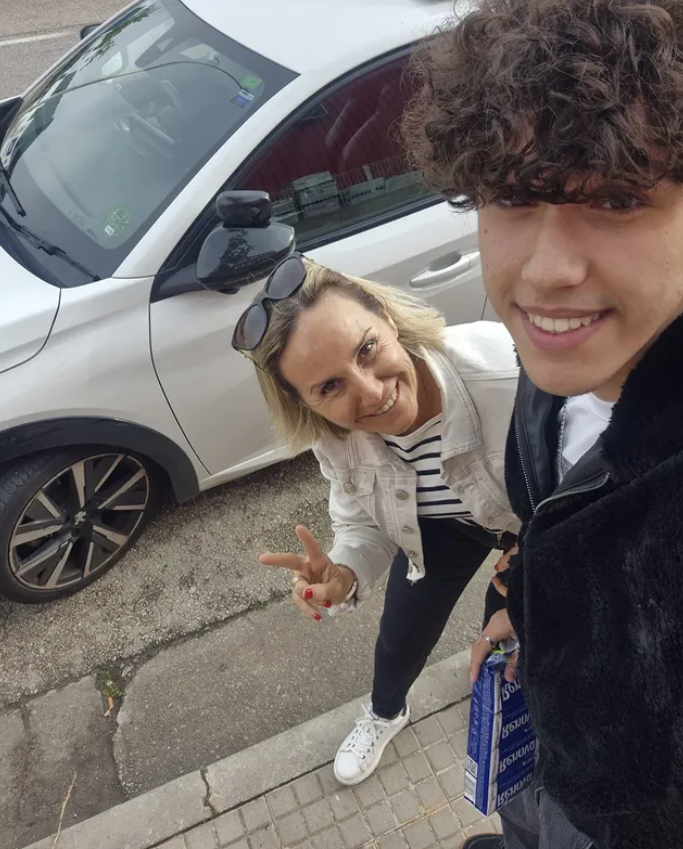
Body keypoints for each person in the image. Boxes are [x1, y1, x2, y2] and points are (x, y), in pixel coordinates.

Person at [402, 0, 683, 847]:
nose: (546, 269)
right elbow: (548, 516)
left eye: (620, 198)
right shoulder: (557, 359)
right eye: (514, 197)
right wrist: (519, 605)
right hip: (547, 753)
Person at [231, 255, 519, 785]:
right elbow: (363, 523)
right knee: (400, 635)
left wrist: (544, 565)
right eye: (329, 388)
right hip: (439, 526)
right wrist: (343, 573)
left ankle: (501, 699)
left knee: (506, 631)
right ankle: (386, 712)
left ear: (387, 316)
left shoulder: (510, 374)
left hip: (532, 531)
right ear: (306, 405)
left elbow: (603, 479)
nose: (370, 393)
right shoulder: (333, 435)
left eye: (367, 349)